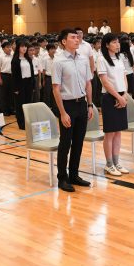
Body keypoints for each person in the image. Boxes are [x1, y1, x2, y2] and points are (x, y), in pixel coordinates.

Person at [52, 28, 94, 193]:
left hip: (81, 104)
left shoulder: (83, 59)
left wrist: (90, 105)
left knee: (78, 142)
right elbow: (56, 89)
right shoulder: (59, 61)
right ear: (64, 41)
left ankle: (74, 175)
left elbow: (88, 83)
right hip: (67, 105)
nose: (77, 40)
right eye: (73, 37)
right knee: (65, 143)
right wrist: (62, 113)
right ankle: (62, 178)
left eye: (78, 37)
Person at [97, 33, 130, 175]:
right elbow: (105, 82)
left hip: (121, 96)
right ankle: (109, 164)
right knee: (110, 133)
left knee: (118, 132)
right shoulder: (101, 59)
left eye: (118, 42)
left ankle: (117, 162)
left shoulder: (119, 58)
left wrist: (125, 95)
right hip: (109, 97)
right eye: (114, 42)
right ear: (106, 45)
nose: (118, 45)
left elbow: (124, 77)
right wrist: (118, 97)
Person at [11, 40, 35, 130]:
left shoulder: (28, 58)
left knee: (28, 103)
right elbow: (14, 76)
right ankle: (21, 123)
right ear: (18, 48)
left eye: (25, 46)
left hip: (29, 83)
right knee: (20, 104)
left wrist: (33, 85)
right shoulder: (15, 60)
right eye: (22, 46)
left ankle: (28, 122)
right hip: (20, 84)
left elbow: (32, 73)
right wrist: (15, 88)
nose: (24, 48)